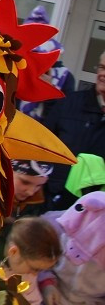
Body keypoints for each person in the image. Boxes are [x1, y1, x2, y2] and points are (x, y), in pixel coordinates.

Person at [44, 50, 105, 210]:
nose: (102, 74)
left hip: (96, 213)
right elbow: (41, 145)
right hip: (53, 203)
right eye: (101, 67)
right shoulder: (68, 103)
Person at [18, 5, 75, 123]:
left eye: (38, 54)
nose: (34, 59)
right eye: (30, 53)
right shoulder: (15, 68)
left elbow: (63, 118)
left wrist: (49, 91)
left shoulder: (65, 78)